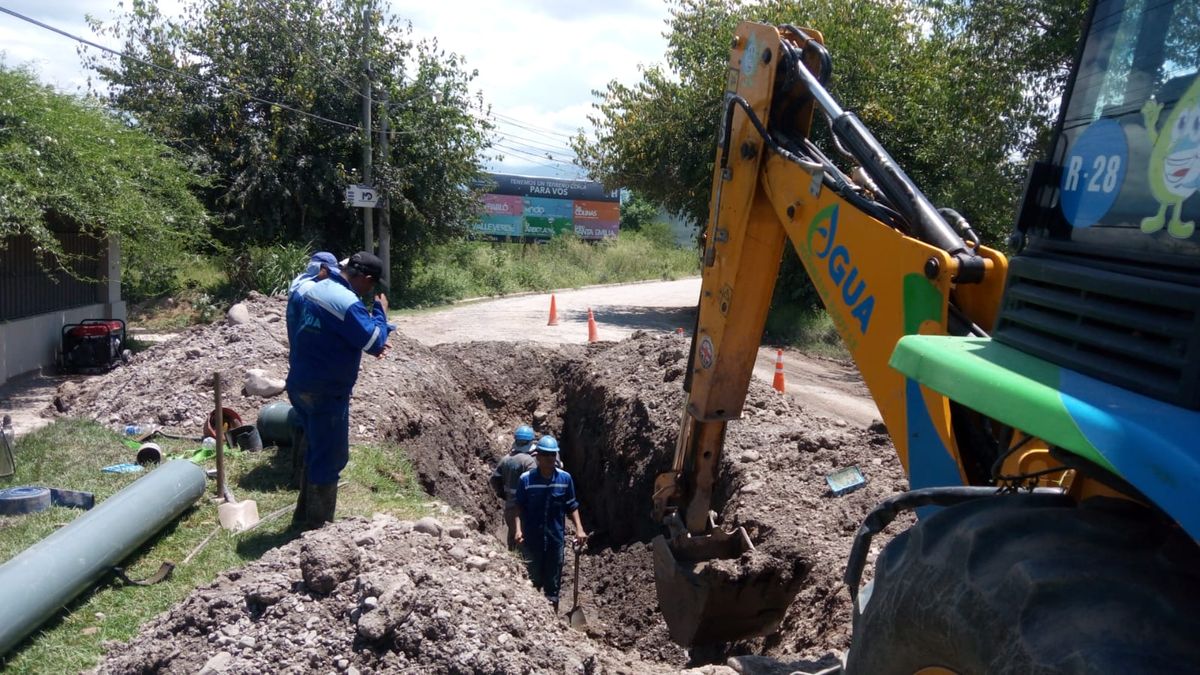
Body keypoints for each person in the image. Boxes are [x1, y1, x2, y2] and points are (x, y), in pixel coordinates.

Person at [286, 251, 390, 529]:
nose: (371, 291)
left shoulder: (317, 289)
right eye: (371, 286)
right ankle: (317, 529)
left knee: (316, 449)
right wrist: (380, 313)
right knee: (331, 457)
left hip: (300, 383)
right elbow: (374, 343)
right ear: (366, 279)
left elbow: (336, 332)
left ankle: (302, 517)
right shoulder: (347, 303)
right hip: (325, 390)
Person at [514, 435, 587, 610]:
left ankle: (552, 617)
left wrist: (579, 529)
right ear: (537, 456)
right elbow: (518, 507)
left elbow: (572, 505)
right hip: (532, 539)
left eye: (552, 455)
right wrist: (518, 530)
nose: (549, 459)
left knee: (553, 581)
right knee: (532, 578)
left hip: (555, 539)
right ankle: (532, 614)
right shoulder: (526, 480)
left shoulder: (564, 479)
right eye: (545, 455)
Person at [490, 425, 537, 550]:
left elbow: (494, 479)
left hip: (510, 507)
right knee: (527, 542)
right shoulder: (529, 461)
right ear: (530, 441)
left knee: (513, 538)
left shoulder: (505, 459)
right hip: (526, 509)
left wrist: (502, 493)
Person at [286, 251, 340, 345]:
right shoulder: (313, 289)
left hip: (297, 341)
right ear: (321, 269)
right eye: (330, 272)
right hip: (308, 345)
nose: (331, 276)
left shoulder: (300, 281)